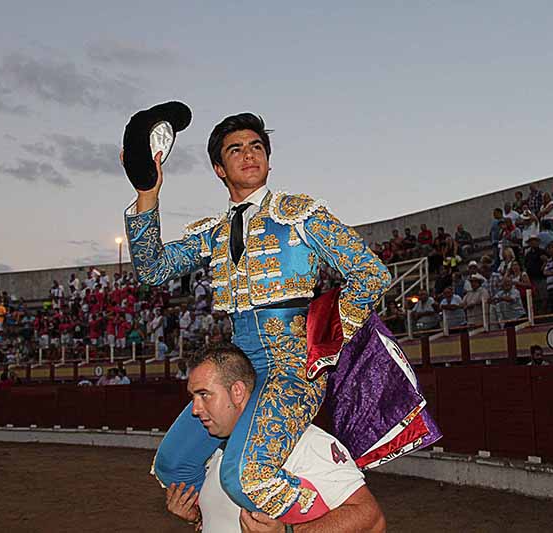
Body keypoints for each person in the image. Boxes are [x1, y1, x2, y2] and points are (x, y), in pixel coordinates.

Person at [123, 112, 391, 520]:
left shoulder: (300, 214)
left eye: (257, 146)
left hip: (292, 368)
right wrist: (147, 192)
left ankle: (308, 528)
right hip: (237, 370)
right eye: (236, 149)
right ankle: (213, 524)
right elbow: (153, 270)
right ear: (218, 168)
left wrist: (327, 337)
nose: (249, 154)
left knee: (246, 476)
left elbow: (371, 274)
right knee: (174, 464)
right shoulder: (212, 232)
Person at [164, 344, 386, 532]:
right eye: (193, 397)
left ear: (237, 392)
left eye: (204, 395)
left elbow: (372, 519)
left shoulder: (305, 441)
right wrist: (197, 516)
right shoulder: (216, 449)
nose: (195, 409)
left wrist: (289, 531)